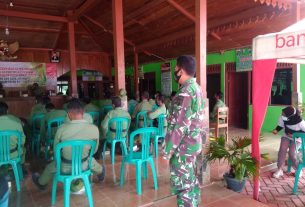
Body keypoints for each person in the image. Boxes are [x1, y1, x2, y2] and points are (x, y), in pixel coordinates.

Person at [32, 99, 105, 191]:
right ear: (83, 113)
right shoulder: (94, 129)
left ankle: (41, 183)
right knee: (91, 161)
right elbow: (94, 150)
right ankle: (101, 172)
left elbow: (56, 151)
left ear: (69, 114)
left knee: (51, 167)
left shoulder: (61, 129)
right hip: (84, 165)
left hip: (64, 167)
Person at [163, 55, 204, 207]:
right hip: (192, 145)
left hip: (183, 149)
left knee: (183, 187)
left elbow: (179, 127)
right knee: (190, 181)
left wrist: (167, 153)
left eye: (176, 68)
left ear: (182, 70)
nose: (175, 71)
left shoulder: (185, 92)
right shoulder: (197, 88)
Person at [272, 106, 305, 178]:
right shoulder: (282, 118)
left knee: (292, 153)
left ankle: (298, 169)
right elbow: (280, 125)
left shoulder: (300, 122)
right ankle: (279, 169)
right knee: (282, 150)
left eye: (284, 114)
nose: (282, 115)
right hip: (286, 136)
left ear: (291, 116)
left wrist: (294, 135)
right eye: (282, 113)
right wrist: (276, 130)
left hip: (297, 139)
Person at [0, 102, 26, 170]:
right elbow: (22, 141)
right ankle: (19, 168)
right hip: (14, 154)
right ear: (7, 111)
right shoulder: (16, 122)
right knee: (23, 149)